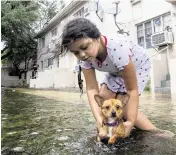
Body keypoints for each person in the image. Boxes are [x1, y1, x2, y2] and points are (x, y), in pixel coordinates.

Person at [61, 18, 157, 138]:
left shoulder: (117, 48)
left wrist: (131, 121)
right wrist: (99, 119)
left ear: (97, 37)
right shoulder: (85, 59)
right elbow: (91, 88)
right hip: (115, 71)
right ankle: (112, 126)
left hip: (138, 65)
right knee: (104, 102)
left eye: (84, 47)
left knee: (124, 108)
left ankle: (157, 133)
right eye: (76, 52)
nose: (82, 55)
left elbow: (131, 90)